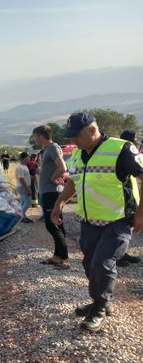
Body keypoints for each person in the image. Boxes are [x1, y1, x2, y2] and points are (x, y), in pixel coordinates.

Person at [51, 113, 143, 332]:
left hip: (118, 220)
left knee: (102, 263)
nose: (74, 141)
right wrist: (59, 204)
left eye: (77, 136)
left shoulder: (121, 149)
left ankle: (100, 309)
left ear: (92, 131)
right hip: (89, 220)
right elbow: (73, 182)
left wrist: (140, 213)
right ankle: (100, 302)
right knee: (89, 264)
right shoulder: (77, 154)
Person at [32, 124, 69, 270]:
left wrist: (54, 178)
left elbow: (62, 167)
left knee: (51, 224)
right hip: (48, 192)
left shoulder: (53, 148)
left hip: (52, 193)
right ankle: (57, 256)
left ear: (40, 136)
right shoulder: (46, 150)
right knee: (57, 223)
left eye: (35, 136)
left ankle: (64, 259)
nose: (35, 139)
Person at [116, 130, 143, 267]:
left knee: (128, 231)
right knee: (122, 231)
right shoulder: (123, 154)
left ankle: (122, 253)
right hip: (123, 201)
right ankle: (118, 256)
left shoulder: (134, 157)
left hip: (133, 198)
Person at [15, 152, 33, 223]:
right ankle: (21, 217)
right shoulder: (20, 167)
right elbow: (21, 179)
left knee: (23, 202)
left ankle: (23, 216)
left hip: (24, 186)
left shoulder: (24, 166)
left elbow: (25, 176)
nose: (29, 158)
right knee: (28, 202)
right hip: (23, 187)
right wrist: (27, 189)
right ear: (25, 158)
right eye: (28, 157)